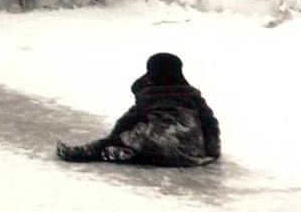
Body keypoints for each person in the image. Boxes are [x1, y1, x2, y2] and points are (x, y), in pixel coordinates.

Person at [56, 52, 221, 167]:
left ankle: (82, 153)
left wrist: (114, 138)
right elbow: (210, 122)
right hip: (189, 152)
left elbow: (128, 120)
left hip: (155, 141)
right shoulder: (192, 94)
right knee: (154, 147)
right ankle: (136, 154)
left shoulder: (150, 94)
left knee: (139, 140)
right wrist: (213, 151)